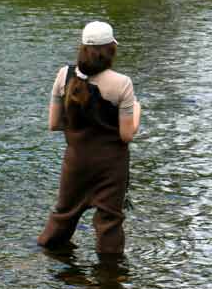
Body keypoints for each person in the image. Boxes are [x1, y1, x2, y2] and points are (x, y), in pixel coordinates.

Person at [38, 21, 141, 256]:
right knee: (109, 223)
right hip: (111, 167)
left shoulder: (64, 75)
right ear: (111, 50)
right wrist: (137, 112)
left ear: (82, 48)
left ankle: (49, 262)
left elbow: (54, 124)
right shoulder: (122, 84)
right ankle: (109, 279)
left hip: (75, 163)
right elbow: (126, 135)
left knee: (63, 215)